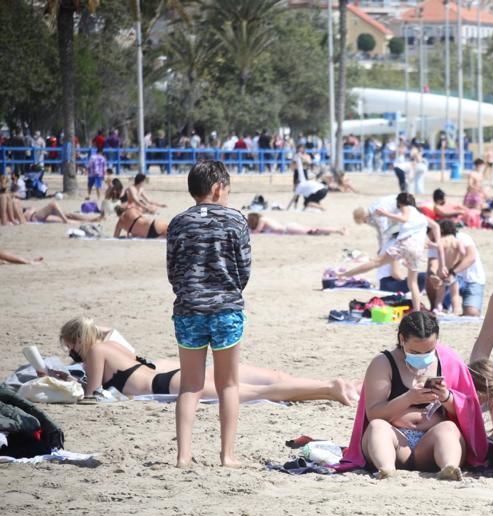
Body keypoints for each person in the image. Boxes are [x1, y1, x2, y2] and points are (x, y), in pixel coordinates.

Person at [59, 316, 360, 404]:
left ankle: (330, 390)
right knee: (274, 376)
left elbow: (92, 396)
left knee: (261, 393)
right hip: (179, 372)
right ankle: (343, 386)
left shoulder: (95, 352)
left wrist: (70, 384)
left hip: (170, 383)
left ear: (76, 341)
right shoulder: (112, 344)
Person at [166, 160, 251, 469]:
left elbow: (172, 270)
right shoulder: (236, 221)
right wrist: (229, 289)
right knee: (228, 384)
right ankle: (227, 455)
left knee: (190, 385)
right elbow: (244, 268)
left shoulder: (178, 222)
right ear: (218, 188)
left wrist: (188, 292)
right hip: (226, 308)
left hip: (188, 309)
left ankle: (183, 456)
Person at [345, 312, 488, 480]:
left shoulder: (449, 360)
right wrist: (408, 399)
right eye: (414, 351)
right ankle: (386, 468)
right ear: (402, 339)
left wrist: (446, 397)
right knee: (377, 427)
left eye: (428, 351)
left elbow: (469, 413)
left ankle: (449, 467)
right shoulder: (383, 363)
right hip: (396, 440)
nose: (422, 356)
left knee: (448, 429)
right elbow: (373, 413)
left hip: (431, 443)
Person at [336, 192, 443, 312]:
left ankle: (345, 275)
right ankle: (417, 312)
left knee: (376, 263)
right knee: (413, 284)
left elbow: (401, 219)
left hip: (405, 244)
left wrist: (385, 214)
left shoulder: (404, 209)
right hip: (417, 249)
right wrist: (436, 244)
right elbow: (435, 226)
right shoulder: (421, 217)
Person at [246, 212, 346, 235]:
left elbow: (256, 232)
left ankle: (338, 230)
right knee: (313, 230)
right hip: (288, 228)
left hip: (288, 229)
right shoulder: (264, 219)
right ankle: (335, 230)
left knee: (312, 231)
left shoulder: (263, 220)